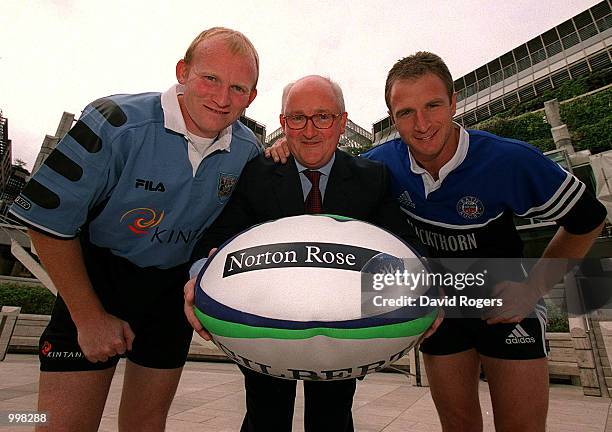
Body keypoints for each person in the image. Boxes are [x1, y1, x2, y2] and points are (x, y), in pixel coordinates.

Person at [267, 53, 607, 431]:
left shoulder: (508, 159)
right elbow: (329, 168)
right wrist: (283, 150)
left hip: (505, 300)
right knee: (458, 425)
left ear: (454, 102)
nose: (422, 124)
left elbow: (589, 218)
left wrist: (534, 288)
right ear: (392, 119)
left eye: (432, 106)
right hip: (441, 304)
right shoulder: (382, 165)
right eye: (406, 112)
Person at [9, 27, 260, 432]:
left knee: (146, 424)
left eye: (238, 87)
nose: (222, 97)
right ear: (183, 71)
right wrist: (87, 316)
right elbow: (47, 222)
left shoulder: (250, 150)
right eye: (210, 78)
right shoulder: (114, 120)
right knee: (59, 424)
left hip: (169, 293)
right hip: (99, 280)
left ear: (251, 97)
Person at [184, 75, 422, 432]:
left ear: (342, 122)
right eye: (297, 118)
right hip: (264, 322)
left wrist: (425, 290)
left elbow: (404, 246)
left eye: (323, 117)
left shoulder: (372, 178)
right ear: (283, 124)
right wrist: (201, 276)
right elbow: (219, 237)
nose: (309, 130)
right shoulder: (256, 174)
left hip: (344, 330)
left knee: (332, 419)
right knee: (265, 417)